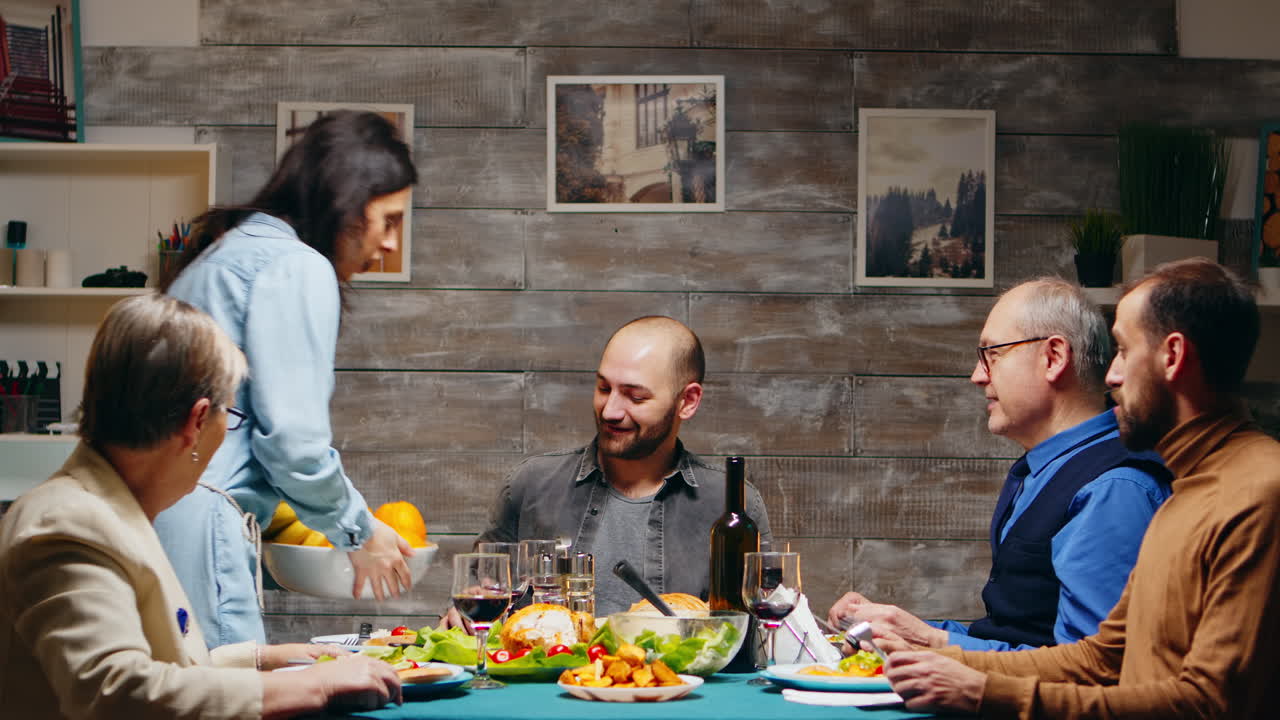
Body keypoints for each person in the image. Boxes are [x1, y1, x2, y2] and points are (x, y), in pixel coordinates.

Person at [882, 258, 1280, 717]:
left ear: (1172, 356)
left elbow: (1209, 702)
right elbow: (1101, 656)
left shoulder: (1256, 495)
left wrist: (983, 692)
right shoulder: (1191, 486)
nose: (1110, 375)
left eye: (1125, 351)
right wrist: (938, 658)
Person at [0, 294, 401, 719]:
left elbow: (157, 666)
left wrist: (264, 659)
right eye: (229, 415)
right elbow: (117, 693)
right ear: (197, 421)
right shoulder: (69, 524)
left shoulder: (105, 510)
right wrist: (315, 684)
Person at [154, 110, 419, 648]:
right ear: (345, 201)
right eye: (388, 219)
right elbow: (294, 445)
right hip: (204, 524)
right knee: (221, 700)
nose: (392, 243)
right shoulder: (294, 265)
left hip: (159, 520)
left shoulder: (224, 253)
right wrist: (359, 531)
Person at [829, 278, 1171, 651]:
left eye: (994, 354)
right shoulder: (1040, 469)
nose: (978, 376)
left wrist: (932, 643)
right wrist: (896, 628)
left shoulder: (1113, 488)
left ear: (1054, 357)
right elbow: (1014, 634)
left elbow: (1092, 673)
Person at [467, 315, 774, 617]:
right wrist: (464, 618)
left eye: (635, 396)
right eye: (603, 388)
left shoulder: (732, 505)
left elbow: (768, 630)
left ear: (688, 401)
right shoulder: (530, 485)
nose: (610, 411)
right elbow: (476, 603)